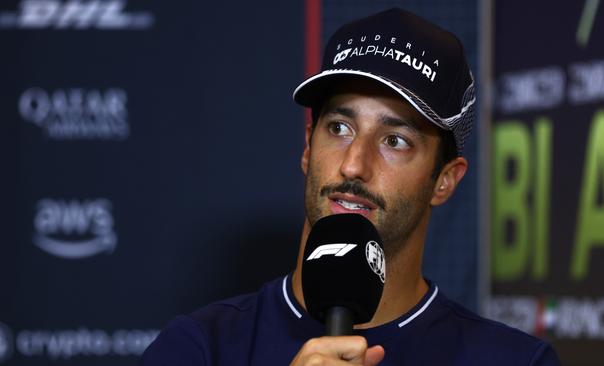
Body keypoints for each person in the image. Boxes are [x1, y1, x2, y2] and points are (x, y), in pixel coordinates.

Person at [141, 8, 561, 366]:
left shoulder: (514, 360)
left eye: (395, 141)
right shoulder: (199, 348)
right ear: (308, 147)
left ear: (445, 180)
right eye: (339, 128)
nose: (354, 164)